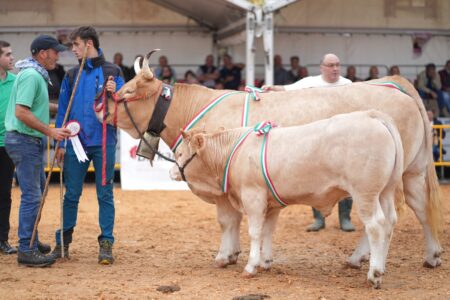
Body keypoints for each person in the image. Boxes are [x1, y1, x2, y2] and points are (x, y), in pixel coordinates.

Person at [52, 26, 125, 265]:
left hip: (104, 142)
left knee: (105, 195)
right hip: (74, 144)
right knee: (71, 195)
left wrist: (117, 94)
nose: (73, 49)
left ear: (89, 45)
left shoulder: (113, 72)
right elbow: (63, 109)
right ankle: (63, 241)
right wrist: (59, 143)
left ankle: (106, 243)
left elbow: (123, 108)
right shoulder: (71, 75)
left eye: (76, 45)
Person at [262, 53, 355, 232]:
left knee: (346, 178)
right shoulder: (310, 82)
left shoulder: (348, 85)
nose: (335, 68)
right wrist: (270, 88)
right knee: (317, 179)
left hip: (343, 140)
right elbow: (287, 89)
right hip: (318, 140)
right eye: (330, 65)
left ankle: (345, 218)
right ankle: (319, 219)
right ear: (322, 67)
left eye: (337, 65)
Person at [4, 35, 71, 267]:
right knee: (33, 195)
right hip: (25, 140)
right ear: (43, 53)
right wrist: (51, 131)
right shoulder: (33, 76)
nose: (57, 56)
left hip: (25, 140)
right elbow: (22, 112)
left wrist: (62, 108)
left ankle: (31, 239)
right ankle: (27, 249)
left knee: (38, 191)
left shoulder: (32, 74)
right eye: (55, 52)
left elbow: (38, 107)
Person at [0, 41, 17, 255]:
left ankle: (2, 239)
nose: (12, 58)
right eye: (7, 54)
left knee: (4, 195)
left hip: (7, 145)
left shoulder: (16, 81)